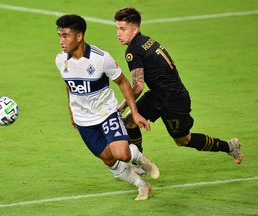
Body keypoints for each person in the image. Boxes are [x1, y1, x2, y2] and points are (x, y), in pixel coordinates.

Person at [113, 7, 244, 174]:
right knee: (129, 122)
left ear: (135, 28)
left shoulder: (133, 50)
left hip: (173, 100)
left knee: (183, 140)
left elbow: (138, 86)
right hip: (159, 95)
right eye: (117, 28)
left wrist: (124, 105)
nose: (118, 33)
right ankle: (139, 163)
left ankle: (229, 146)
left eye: (123, 29)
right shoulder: (146, 40)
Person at [55, 14, 160, 201]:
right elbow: (69, 85)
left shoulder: (100, 58)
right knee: (109, 159)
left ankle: (140, 159)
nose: (61, 41)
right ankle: (142, 185)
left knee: (122, 153)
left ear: (79, 36)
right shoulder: (60, 60)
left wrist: (134, 112)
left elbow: (123, 82)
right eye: (59, 36)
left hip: (106, 113)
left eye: (65, 36)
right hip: (83, 121)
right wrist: (71, 111)